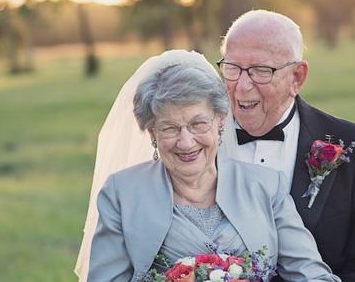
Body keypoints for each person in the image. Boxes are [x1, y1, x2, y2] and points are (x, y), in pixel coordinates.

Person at [81, 50, 340, 282]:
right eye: (169, 128)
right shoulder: (122, 193)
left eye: (198, 124)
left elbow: (313, 275)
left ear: (220, 120)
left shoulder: (266, 186)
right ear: (152, 133)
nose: (186, 142)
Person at [218, 10, 355, 282]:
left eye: (260, 71)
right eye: (232, 68)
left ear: (297, 77)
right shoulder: (194, 142)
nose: (242, 86)